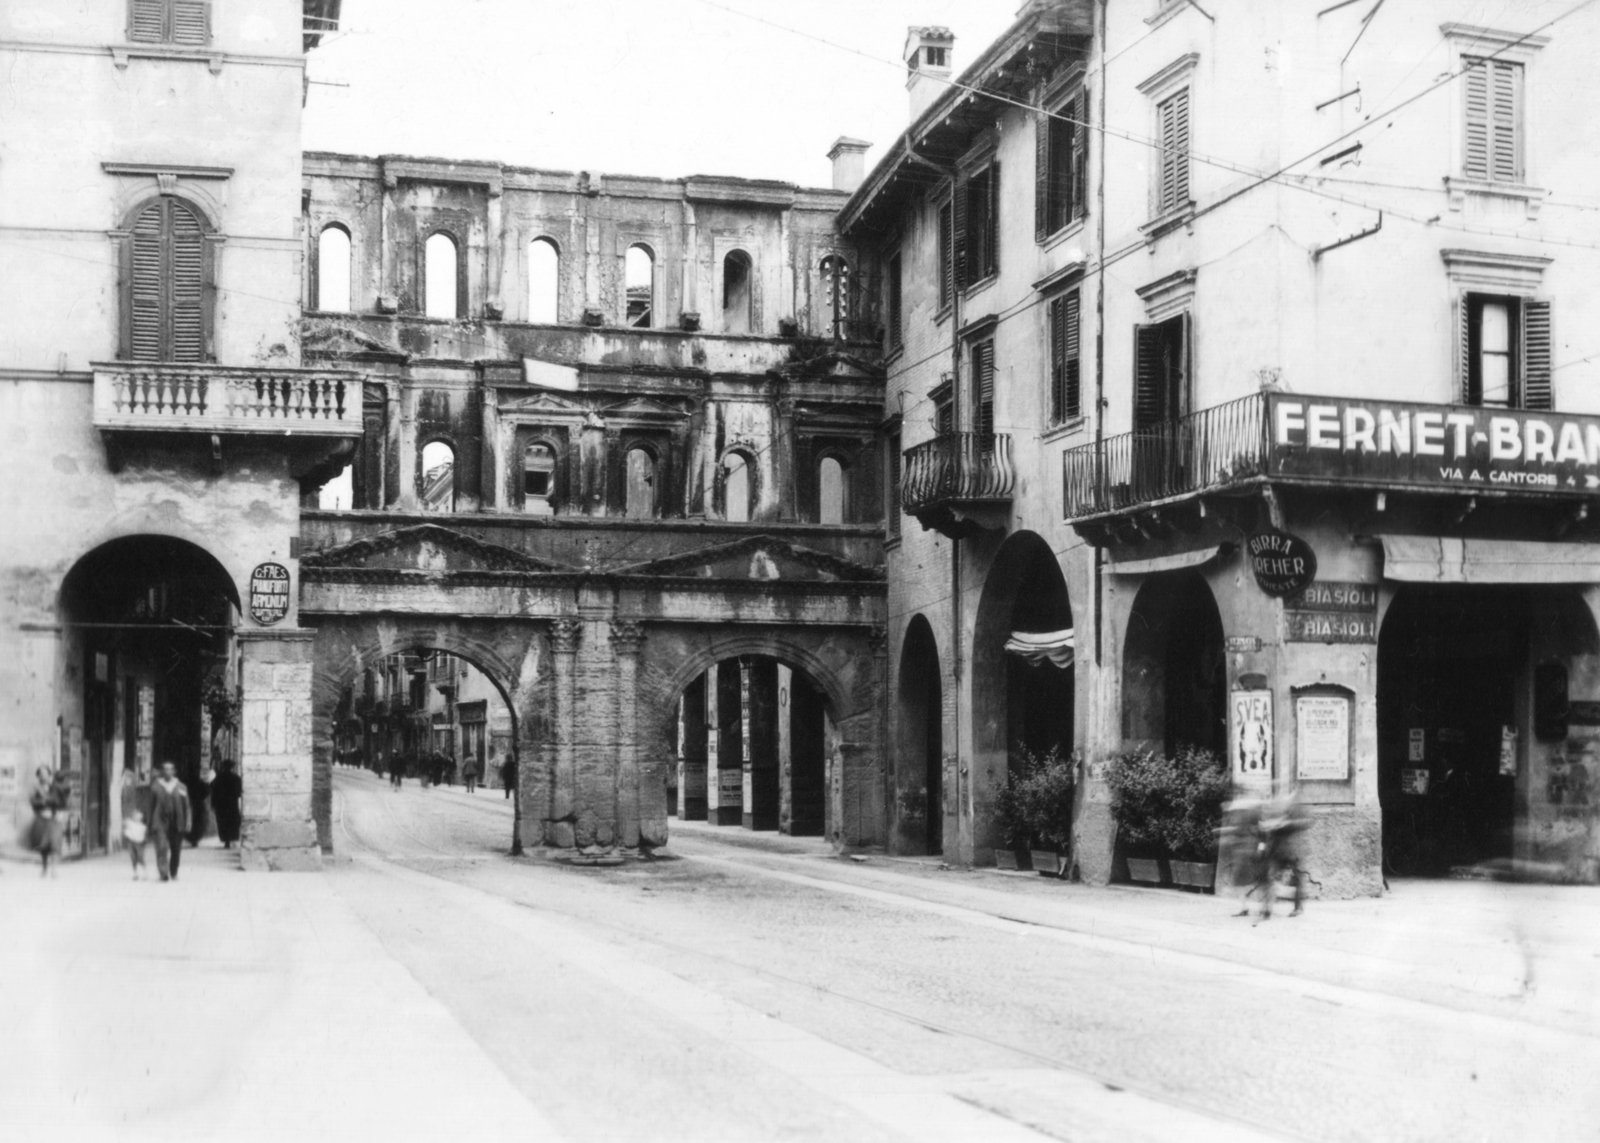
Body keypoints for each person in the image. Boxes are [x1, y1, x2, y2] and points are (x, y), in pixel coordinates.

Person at [1255, 785, 1312, 922]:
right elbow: (1265, 827)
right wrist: (1264, 838)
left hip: (1294, 849)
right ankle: (1266, 909)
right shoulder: (1274, 807)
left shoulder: (1299, 806)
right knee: (1270, 876)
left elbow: (1307, 822)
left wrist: (1286, 823)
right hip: (1277, 849)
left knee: (1298, 878)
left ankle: (1298, 907)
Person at [149, 760, 192, 882]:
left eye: (170, 769)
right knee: (161, 847)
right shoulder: (156, 787)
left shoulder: (181, 787)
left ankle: (174, 871)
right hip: (160, 821)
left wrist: (188, 822)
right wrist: (150, 823)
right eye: (165, 769)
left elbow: (186, 806)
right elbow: (151, 806)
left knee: (176, 848)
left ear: (174, 771)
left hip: (177, 821)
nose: (167, 771)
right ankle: (163, 873)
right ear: (162, 771)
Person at [28, 767, 66, 878]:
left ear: (49, 775)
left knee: (55, 844)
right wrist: (43, 802)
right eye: (41, 774)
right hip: (41, 818)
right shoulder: (35, 788)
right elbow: (32, 801)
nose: (43, 776)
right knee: (43, 845)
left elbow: (63, 802)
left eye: (46, 774)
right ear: (38, 776)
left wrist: (61, 813)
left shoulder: (55, 787)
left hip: (55, 819)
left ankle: (54, 870)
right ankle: (44, 868)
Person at [120, 767, 152, 879]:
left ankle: (140, 871)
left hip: (134, 821)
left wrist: (131, 817)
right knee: (133, 849)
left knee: (136, 849)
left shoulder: (130, 788)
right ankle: (137, 871)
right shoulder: (128, 788)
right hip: (131, 821)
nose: (125, 779)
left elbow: (131, 804)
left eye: (127, 777)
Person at [211, 759, 243, 849]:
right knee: (232, 822)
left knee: (223, 822)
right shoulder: (236, 778)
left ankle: (226, 840)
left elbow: (213, 790)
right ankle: (229, 840)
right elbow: (239, 792)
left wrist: (213, 803)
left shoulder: (219, 777)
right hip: (232, 804)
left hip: (221, 804)